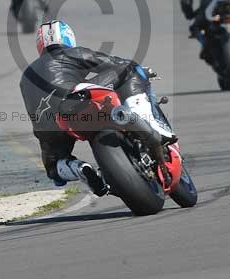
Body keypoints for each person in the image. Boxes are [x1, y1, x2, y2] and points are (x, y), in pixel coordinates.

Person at [20, 20, 174, 195]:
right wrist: (141, 70)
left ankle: (79, 168)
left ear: (39, 45)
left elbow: (32, 110)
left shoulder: (26, 76)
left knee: (54, 169)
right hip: (76, 99)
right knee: (130, 68)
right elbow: (113, 63)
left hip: (48, 125)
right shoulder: (72, 53)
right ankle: (151, 124)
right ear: (68, 37)